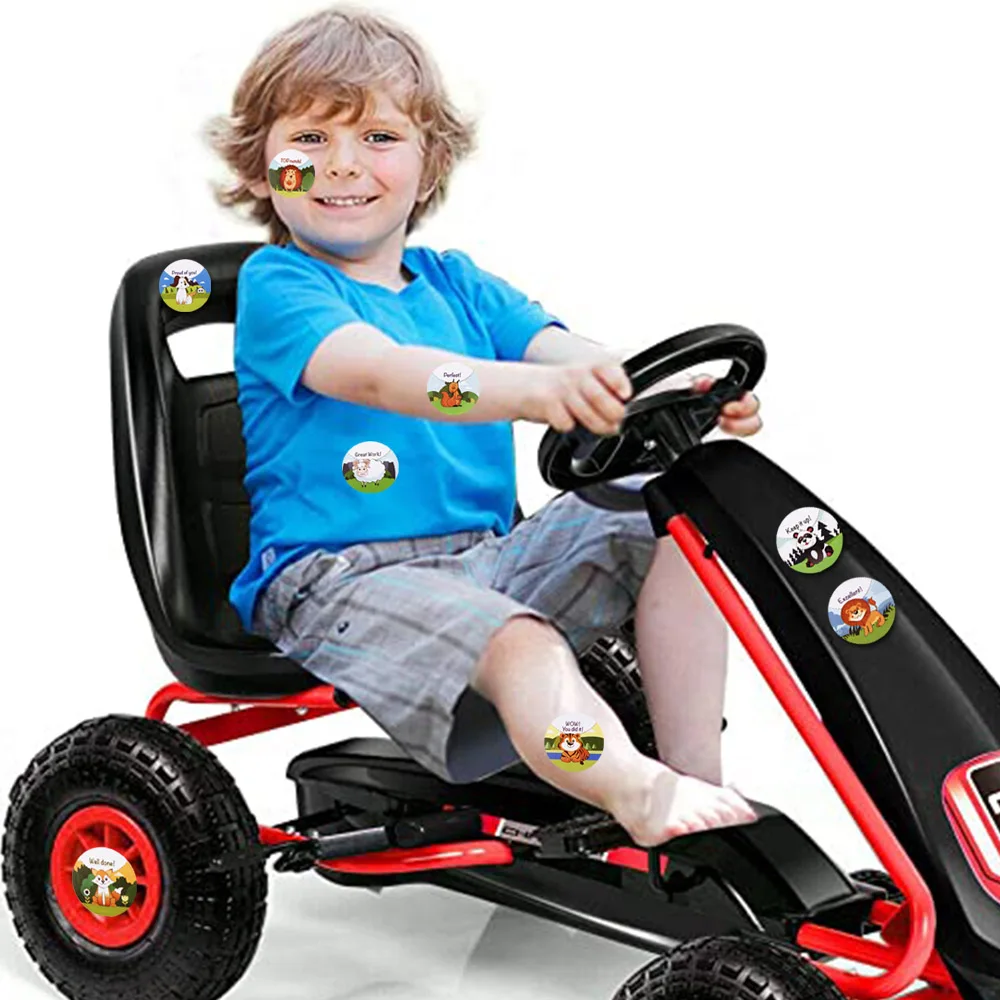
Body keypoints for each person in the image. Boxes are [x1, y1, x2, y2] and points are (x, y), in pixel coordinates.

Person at [206, 6, 762, 848]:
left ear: (429, 163)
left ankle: (698, 783)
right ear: (260, 167)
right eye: (310, 140)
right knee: (518, 645)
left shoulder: (456, 282)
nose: (342, 164)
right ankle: (634, 788)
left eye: (379, 138)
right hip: (340, 579)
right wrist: (534, 394)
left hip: (489, 556)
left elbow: (568, 353)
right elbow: (385, 374)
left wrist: (673, 391)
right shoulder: (280, 287)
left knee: (681, 519)